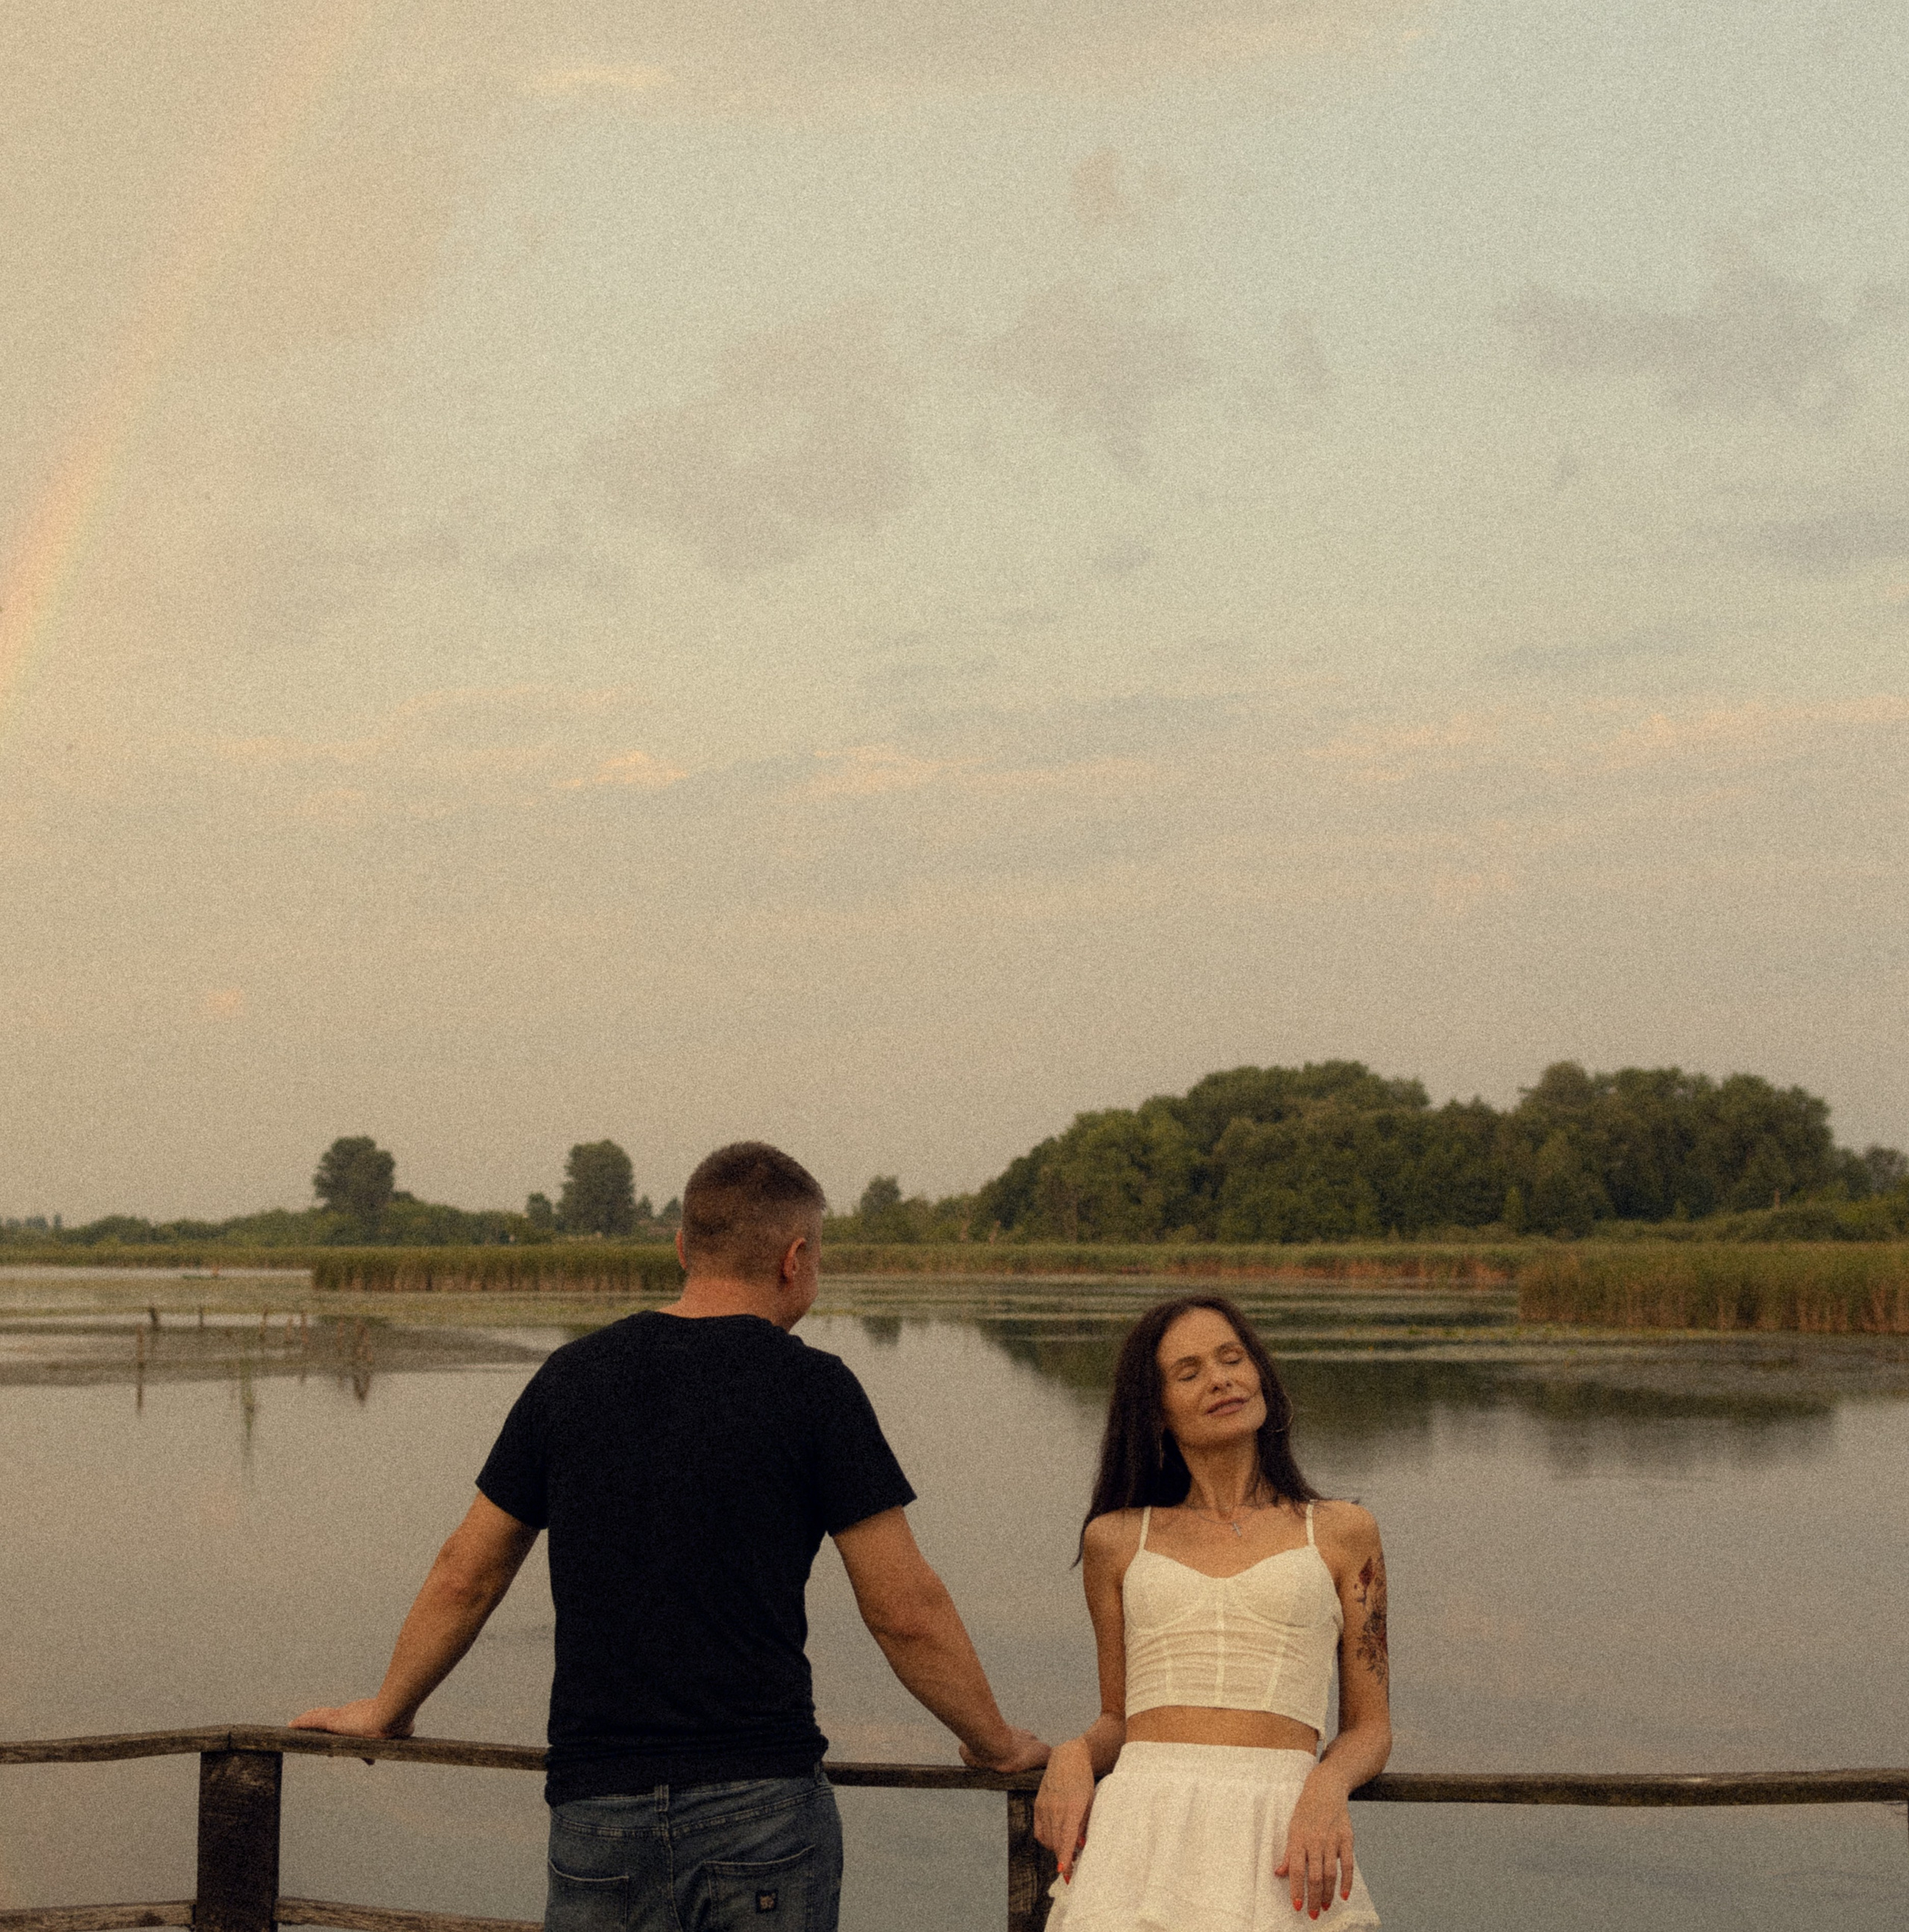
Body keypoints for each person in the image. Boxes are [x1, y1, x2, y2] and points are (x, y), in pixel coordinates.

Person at [294, 1140, 1045, 1932]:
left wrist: (388, 1706)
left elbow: (465, 1573)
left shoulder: (570, 1377)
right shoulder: (815, 1389)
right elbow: (904, 1606)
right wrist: (992, 1741)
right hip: (759, 1802)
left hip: (597, 1804)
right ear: (795, 1258)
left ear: (683, 1247)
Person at [1033, 1295, 1389, 1929]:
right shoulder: (1115, 1540)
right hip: (1142, 1832)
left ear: (1261, 1377)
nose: (1222, 1378)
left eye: (1232, 1358)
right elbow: (1120, 1716)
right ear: (1157, 1409)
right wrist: (1072, 1754)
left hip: (1283, 1833)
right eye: (1189, 1370)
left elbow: (1370, 1728)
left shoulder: (1342, 1532)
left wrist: (1326, 1786)